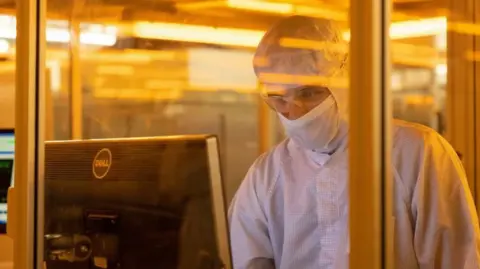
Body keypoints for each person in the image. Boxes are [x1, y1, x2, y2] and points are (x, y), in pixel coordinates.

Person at [228, 15, 480, 269]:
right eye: (279, 99)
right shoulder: (266, 175)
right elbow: (245, 259)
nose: (296, 112)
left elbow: (456, 259)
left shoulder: (417, 153)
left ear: (344, 82)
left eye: (309, 93)